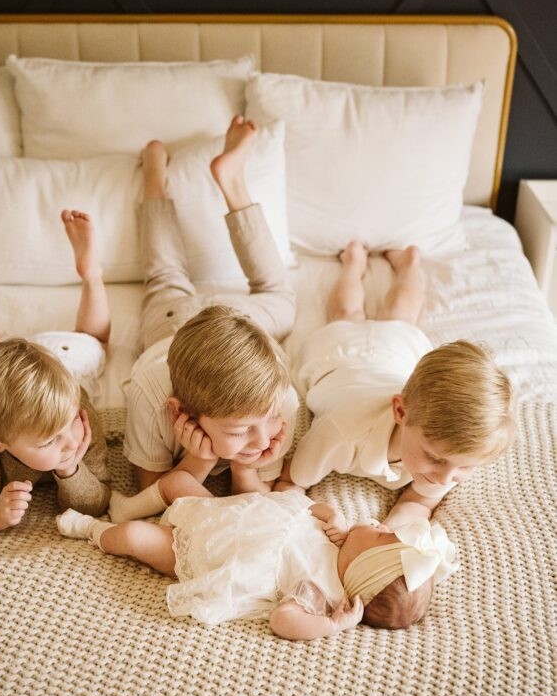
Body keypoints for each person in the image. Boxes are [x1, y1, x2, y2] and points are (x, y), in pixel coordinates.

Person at [111, 116, 298, 523]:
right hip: (171, 327)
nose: (264, 438)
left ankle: (216, 181)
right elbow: (151, 492)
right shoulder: (150, 395)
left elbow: (255, 494)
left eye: (266, 420)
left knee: (172, 279)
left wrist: (244, 465)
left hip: (238, 322)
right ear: (183, 411)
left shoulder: (280, 399)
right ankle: (162, 181)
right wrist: (198, 460)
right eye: (239, 430)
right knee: (270, 293)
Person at [275, 241, 516, 528]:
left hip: (393, 356)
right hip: (341, 359)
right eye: (434, 458)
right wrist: (322, 519)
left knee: (401, 315)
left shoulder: (451, 455)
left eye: (465, 467)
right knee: (345, 313)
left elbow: (419, 501)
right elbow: (289, 483)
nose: (445, 479)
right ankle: (353, 264)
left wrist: (390, 536)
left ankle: (409, 264)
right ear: (401, 412)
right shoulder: (339, 435)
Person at [0, 207, 111, 537]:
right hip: (20, 365)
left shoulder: (79, 417)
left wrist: (70, 470)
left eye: (66, 426)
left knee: (93, 342)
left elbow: (96, 504)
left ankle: (92, 274)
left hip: (68, 367)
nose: (70, 441)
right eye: (50, 441)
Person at [56, 492, 459, 638]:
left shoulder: (320, 588)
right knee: (177, 484)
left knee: (133, 538)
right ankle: (129, 503)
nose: (379, 524)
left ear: (361, 567)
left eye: (383, 536)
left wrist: (332, 624)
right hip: (222, 513)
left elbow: (283, 620)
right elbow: (303, 503)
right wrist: (330, 515)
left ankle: (92, 529)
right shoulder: (337, 532)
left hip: (202, 554)